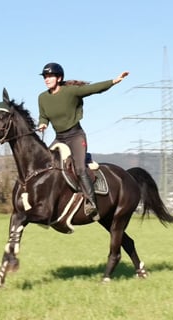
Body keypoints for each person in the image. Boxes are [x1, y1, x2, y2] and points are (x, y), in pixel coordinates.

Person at [37, 62, 129, 221]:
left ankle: (91, 202)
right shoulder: (42, 97)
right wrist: (42, 123)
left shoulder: (71, 91)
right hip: (59, 138)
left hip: (75, 136)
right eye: (45, 76)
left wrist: (114, 81)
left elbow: (94, 89)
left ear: (59, 78)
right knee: (44, 165)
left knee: (79, 168)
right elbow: (43, 115)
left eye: (50, 76)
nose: (47, 79)